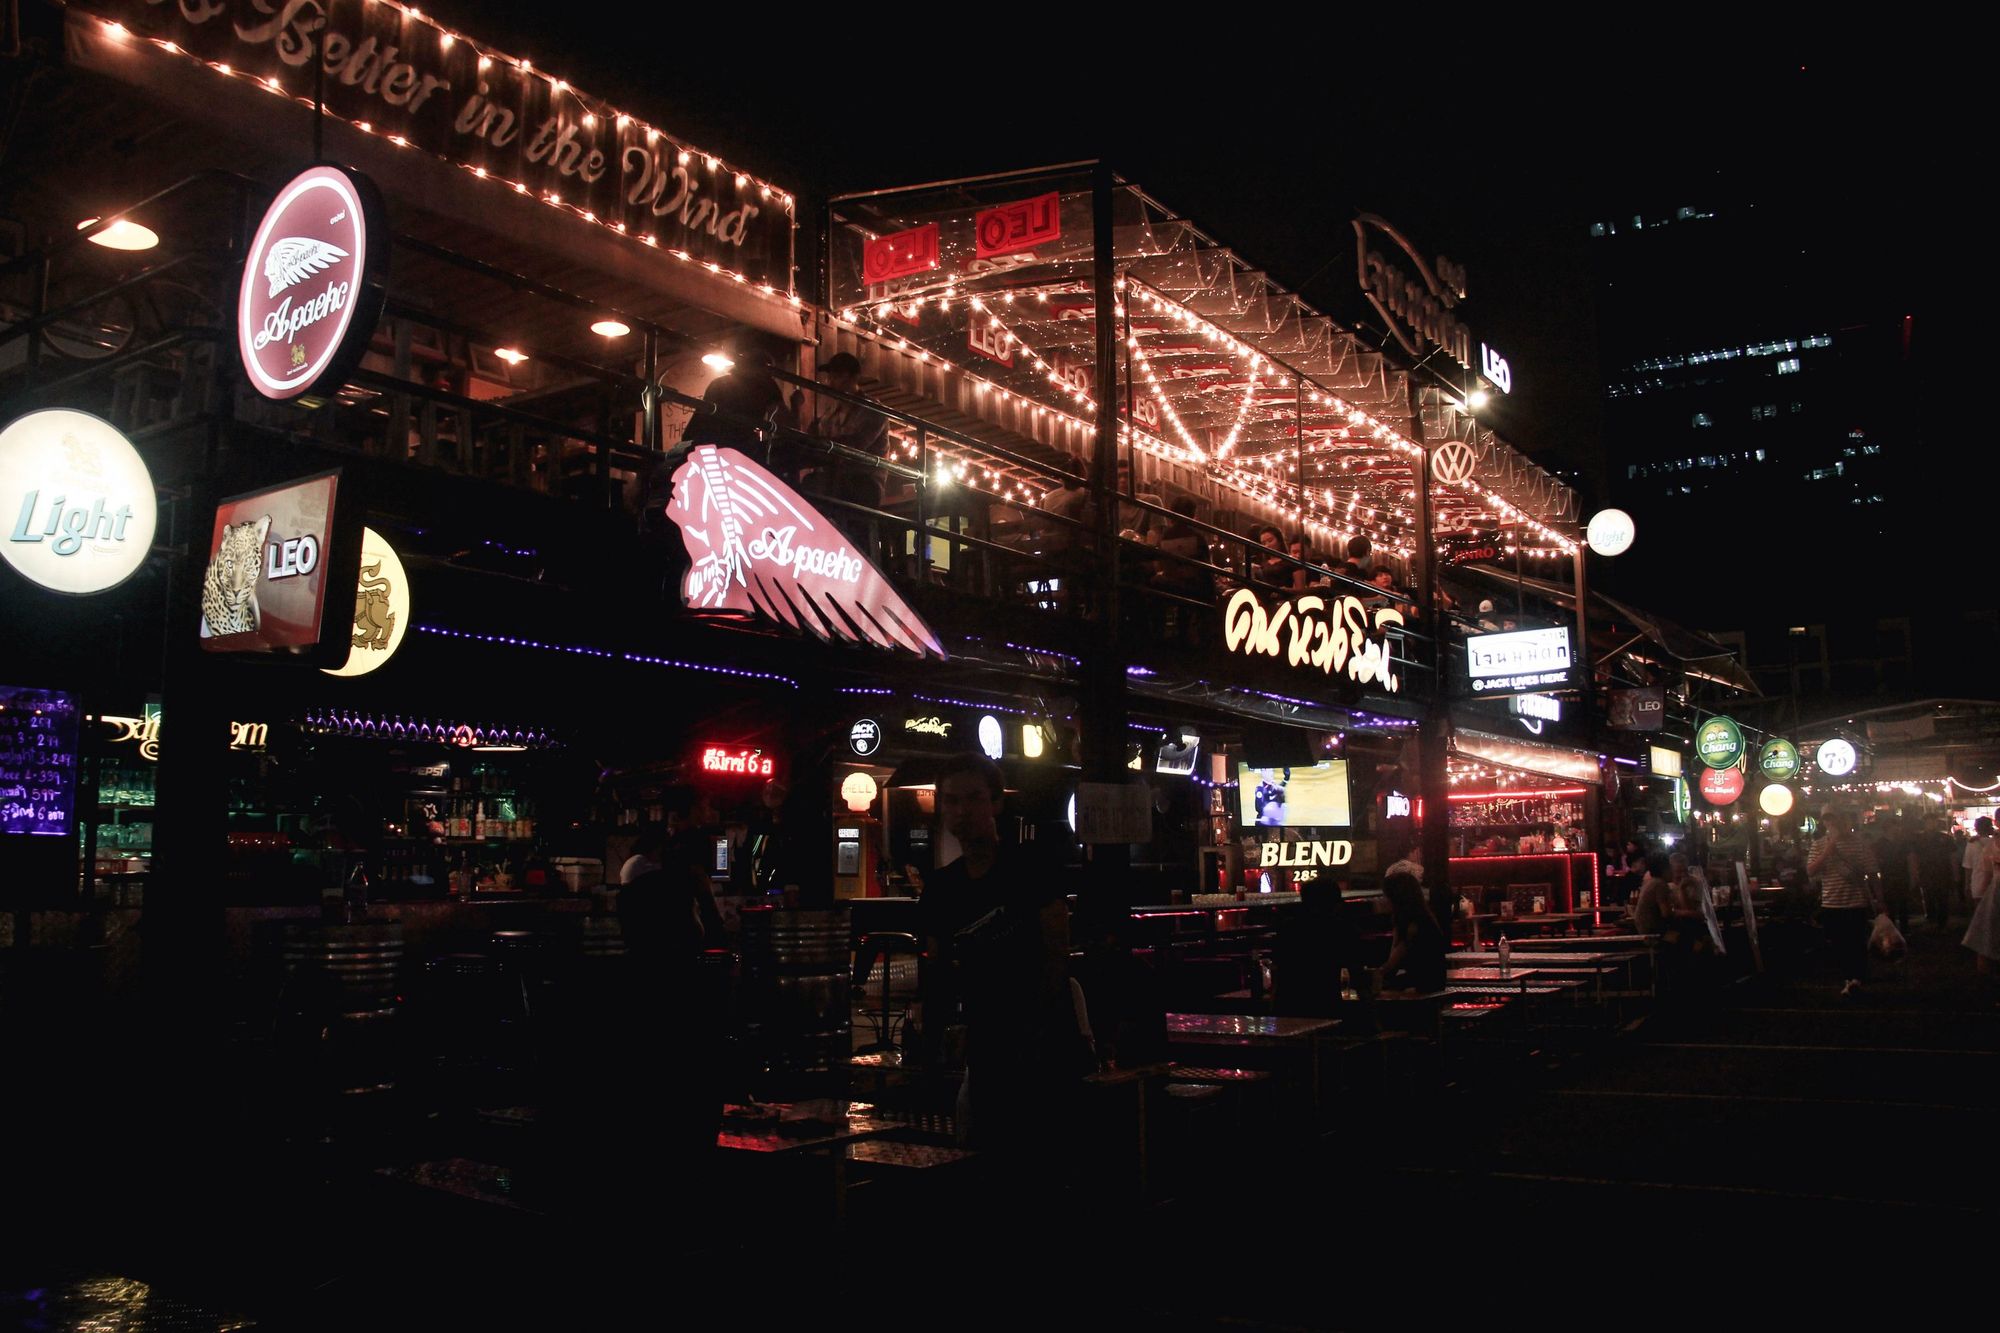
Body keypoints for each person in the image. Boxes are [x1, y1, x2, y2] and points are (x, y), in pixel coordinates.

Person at [916, 753, 1087, 1151]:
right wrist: (935, 1041)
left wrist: (1036, 1028)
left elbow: (1056, 956)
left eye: (974, 798)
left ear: (996, 803)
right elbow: (937, 973)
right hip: (985, 1049)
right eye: (952, 800)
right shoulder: (941, 889)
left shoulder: (1032, 868)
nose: (962, 810)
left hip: (1044, 1048)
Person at [1809, 807, 1881, 997]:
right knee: (1838, 944)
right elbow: (1811, 871)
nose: (1831, 823)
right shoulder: (1818, 845)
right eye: (1826, 820)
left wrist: (1880, 901)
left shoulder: (1860, 844)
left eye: (1834, 819)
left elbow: (1873, 874)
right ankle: (1848, 979)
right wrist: (1828, 850)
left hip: (1856, 902)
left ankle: (1855, 979)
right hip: (1831, 902)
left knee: (1856, 942)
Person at [1375, 869, 1446, 994]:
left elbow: (1392, 965)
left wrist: (1371, 976)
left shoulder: (1413, 926)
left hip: (1423, 986)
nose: (1383, 900)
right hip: (1432, 982)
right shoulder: (1422, 918)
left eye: (1386, 895)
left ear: (1396, 898)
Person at [1916, 814, 1963, 931]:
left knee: (1943, 898)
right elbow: (1914, 858)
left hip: (1943, 873)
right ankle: (1931, 920)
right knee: (1928, 898)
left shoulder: (1946, 839)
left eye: (1933, 822)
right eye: (1928, 822)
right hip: (1926, 873)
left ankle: (1942, 923)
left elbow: (1953, 857)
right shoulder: (1919, 839)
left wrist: (1955, 874)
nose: (1931, 824)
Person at [1631, 853, 1676, 934]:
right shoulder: (1660, 884)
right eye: (1670, 867)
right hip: (1652, 931)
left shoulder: (1651, 882)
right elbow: (1666, 913)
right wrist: (1686, 913)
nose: (1673, 871)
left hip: (1643, 928)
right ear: (1664, 869)